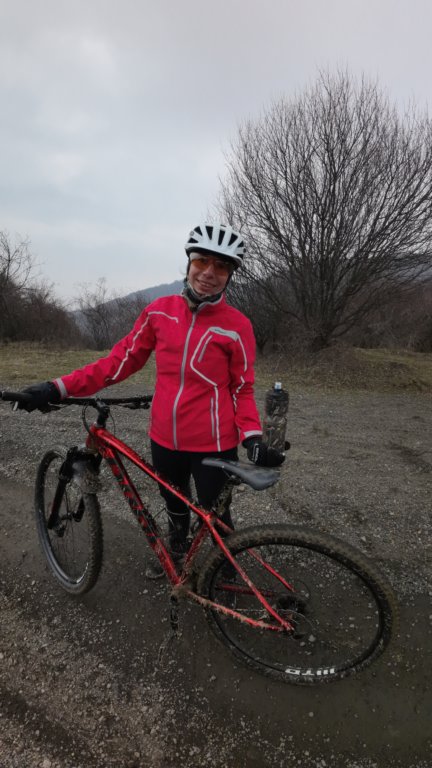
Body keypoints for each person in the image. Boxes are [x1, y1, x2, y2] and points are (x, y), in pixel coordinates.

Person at [17, 223, 285, 576]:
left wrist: (251, 437)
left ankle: (226, 576)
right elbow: (117, 363)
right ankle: (176, 555)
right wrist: (57, 387)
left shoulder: (237, 326)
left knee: (217, 514)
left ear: (230, 275)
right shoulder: (159, 312)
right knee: (173, 502)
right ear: (189, 263)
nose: (209, 273)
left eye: (221, 266)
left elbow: (241, 389)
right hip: (165, 439)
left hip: (214, 442)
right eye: (202, 261)